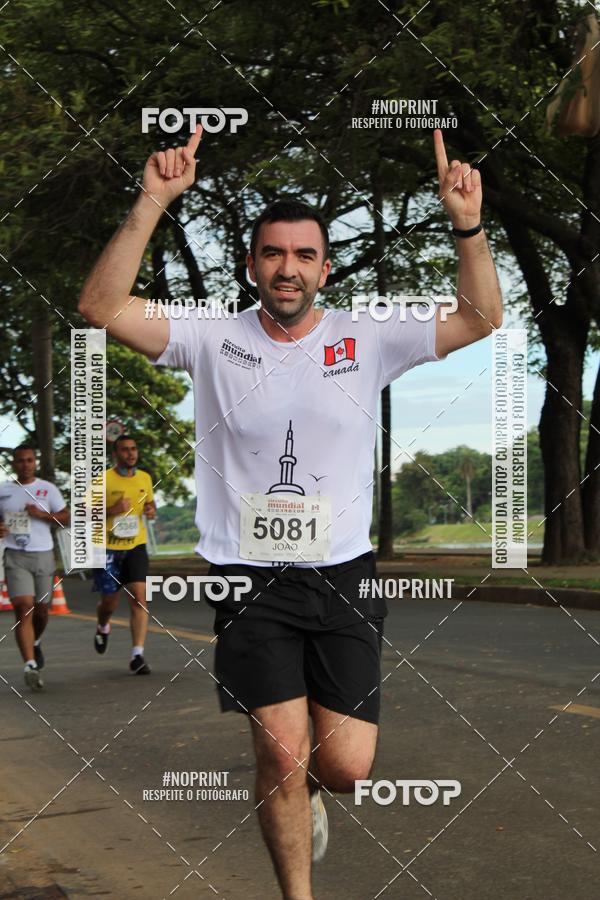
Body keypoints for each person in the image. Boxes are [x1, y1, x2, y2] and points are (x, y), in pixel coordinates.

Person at [78, 126, 502, 898]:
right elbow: (100, 305)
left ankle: (308, 792)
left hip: (344, 576)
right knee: (280, 751)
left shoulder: (367, 334)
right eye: (273, 253)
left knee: (342, 768)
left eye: (304, 255)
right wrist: (152, 200)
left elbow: (480, 317)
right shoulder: (211, 336)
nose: (288, 268)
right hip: (249, 579)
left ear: (325, 268)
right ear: (252, 265)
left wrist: (466, 225)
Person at [0, 445, 70, 691]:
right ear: (14, 463)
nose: (25, 464)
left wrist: (42, 515)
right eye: (20, 461)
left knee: (41, 611)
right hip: (15, 555)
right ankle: (29, 664)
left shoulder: (48, 489)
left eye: (30, 460)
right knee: (23, 608)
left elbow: (66, 517)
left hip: (43, 555)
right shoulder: (3, 491)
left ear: (35, 463)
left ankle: (36, 640)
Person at [92, 434, 156, 674]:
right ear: (115, 454)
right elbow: (85, 513)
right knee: (109, 602)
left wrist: (150, 510)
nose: (130, 453)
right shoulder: (102, 480)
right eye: (124, 450)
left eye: (133, 449)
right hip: (107, 547)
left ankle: (137, 655)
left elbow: (150, 504)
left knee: (140, 598)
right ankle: (103, 625)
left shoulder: (145, 478)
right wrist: (112, 509)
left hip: (135, 545)